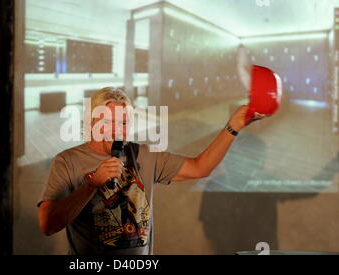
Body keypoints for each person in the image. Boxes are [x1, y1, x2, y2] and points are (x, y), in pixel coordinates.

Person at [37, 87, 251, 255]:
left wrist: (233, 127)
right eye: (107, 121)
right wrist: (92, 185)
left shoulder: (142, 154)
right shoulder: (67, 161)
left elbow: (199, 167)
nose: (116, 130)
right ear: (92, 121)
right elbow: (48, 225)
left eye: (123, 122)